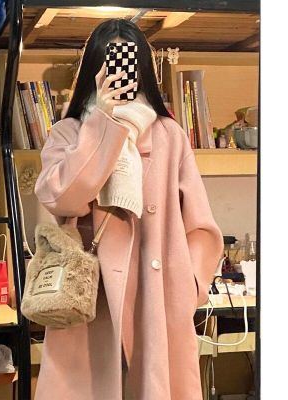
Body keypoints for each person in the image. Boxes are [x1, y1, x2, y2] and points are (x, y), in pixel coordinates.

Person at [34, 18, 224, 400]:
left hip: (157, 299)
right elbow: (62, 198)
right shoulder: (69, 132)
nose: (120, 75)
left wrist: (189, 286)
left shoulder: (169, 136)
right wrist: (102, 125)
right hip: (90, 297)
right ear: (94, 70)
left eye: (128, 63)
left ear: (142, 72)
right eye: (109, 64)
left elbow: (201, 225)